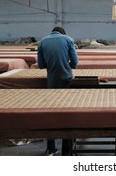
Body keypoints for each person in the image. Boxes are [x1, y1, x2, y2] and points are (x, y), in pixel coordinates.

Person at [37, 26, 79, 156]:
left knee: (51, 112)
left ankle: (51, 148)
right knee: (67, 113)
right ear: (63, 33)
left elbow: (40, 65)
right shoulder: (68, 39)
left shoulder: (43, 41)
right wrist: (67, 65)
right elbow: (75, 62)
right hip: (66, 79)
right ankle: (66, 151)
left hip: (52, 81)